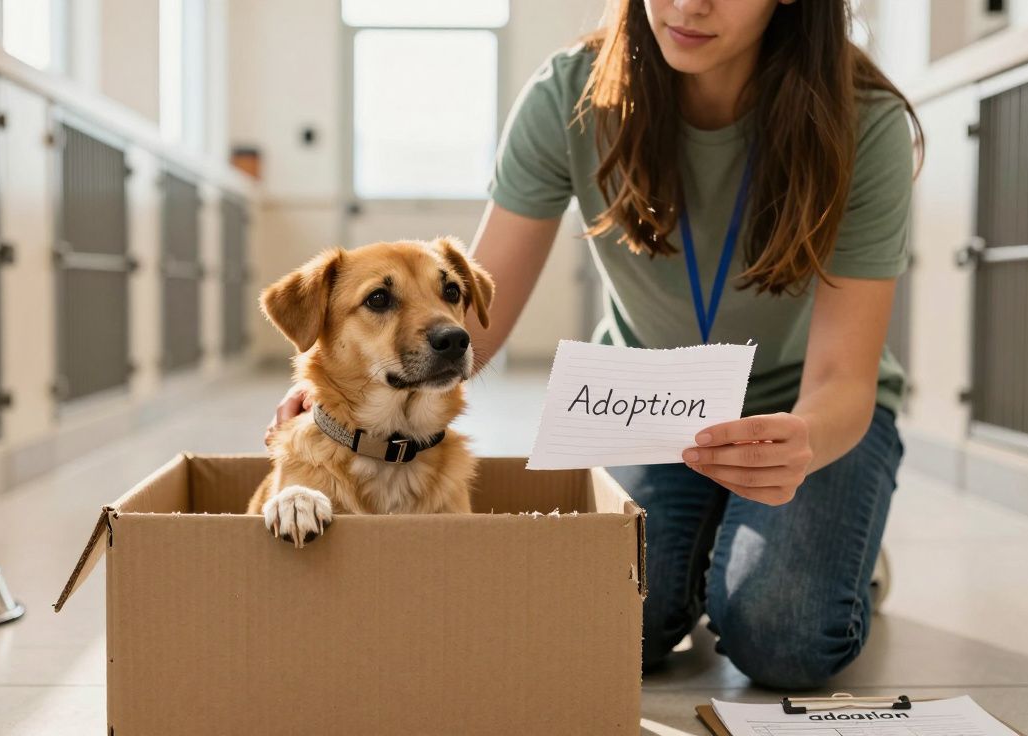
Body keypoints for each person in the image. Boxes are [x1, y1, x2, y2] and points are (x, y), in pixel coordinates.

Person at [268, 0, 920, 690]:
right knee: (609, 622)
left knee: (782, 633)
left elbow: (844, 377)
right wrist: (339, 390)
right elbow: (474, 322)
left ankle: (825, 553)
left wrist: (802, 442)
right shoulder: (571, 94)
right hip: (653, 408)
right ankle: (720, 544)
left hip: (804, 412)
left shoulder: (863, 119)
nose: (688, 4)